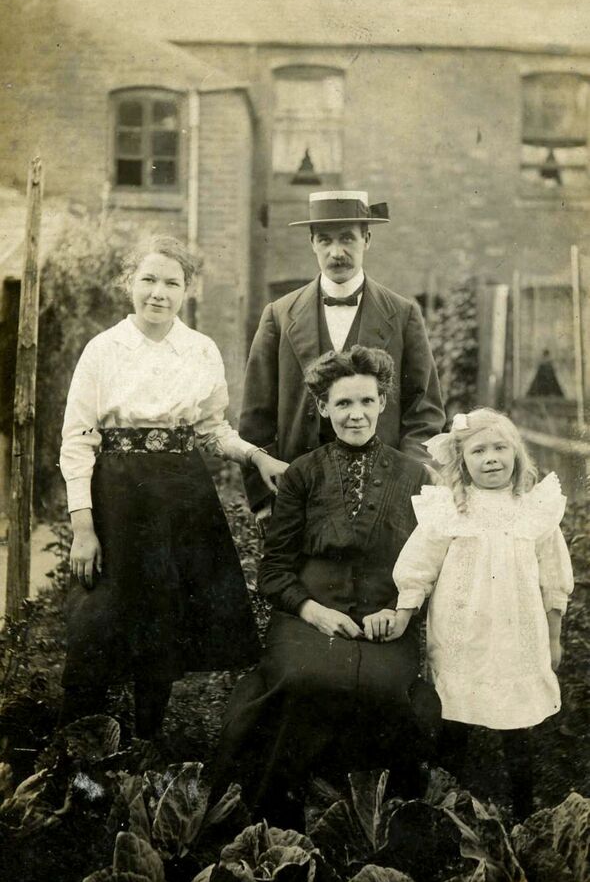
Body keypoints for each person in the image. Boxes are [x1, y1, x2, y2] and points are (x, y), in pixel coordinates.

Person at [59, 235, 288, 738]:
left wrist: (256, 455)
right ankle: (78, 759)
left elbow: (212, 429)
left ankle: (146, 744)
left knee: (161, 622)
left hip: (180, 497)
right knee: (94, 623)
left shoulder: (200, 350)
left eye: (171, 282)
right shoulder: (103, 349)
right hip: (116, 498)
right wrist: (83, 527)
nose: (158, 293)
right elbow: (77, 439)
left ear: (187, 290)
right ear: (128, 284)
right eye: (148, 280)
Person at [214, 345, 440, 828]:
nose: (355, 414)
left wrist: (400, 611)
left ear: (382, 403)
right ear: (323, 408)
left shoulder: (417, 476)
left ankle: (379, 819)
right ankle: (279, 815)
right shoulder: (302, 474)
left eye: (365, 402)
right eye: (342, 404)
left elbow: (432, 562)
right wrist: (312, 610)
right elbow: (273, 572)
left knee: (385, 688)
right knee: (302, 679)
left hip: (385, 617)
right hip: (306, 617)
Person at [392, 408, 574, 819]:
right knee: (455, 719)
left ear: (517, 454)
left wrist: (554, 634)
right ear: (462, 461)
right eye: (478, 451)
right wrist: (406, 609)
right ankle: (446, 808)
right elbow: (419, 565)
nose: (491, 458)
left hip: (517, 635)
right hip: (464, 633)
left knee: (517, 726)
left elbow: (553, 575)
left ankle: (525, 811)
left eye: (499, 447)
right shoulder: (452, 508)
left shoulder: (534, 509)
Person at [239, 190, 445, 522]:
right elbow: (256, 415)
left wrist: (412, 480)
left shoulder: (403, 314)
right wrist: (263, 499)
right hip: (300, 495)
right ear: (312, 243)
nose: (337, 252)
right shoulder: (278, 314)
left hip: (384, 498)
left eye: (347, 238)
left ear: (367, 239)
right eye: (325, 240)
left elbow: (424, 409)